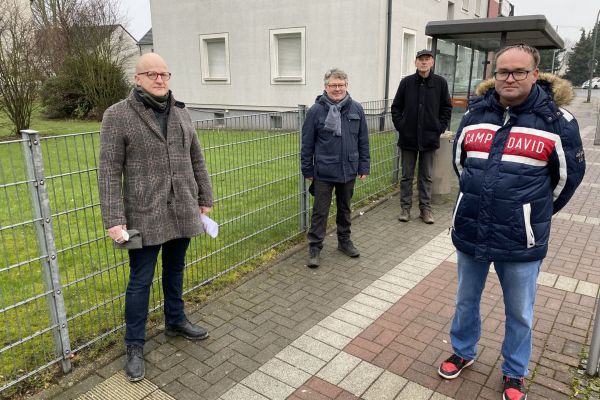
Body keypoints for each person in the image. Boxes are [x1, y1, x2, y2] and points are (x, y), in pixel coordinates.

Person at [438, 44, 585, 400]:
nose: (509, 78)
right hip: (472, 226)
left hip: (522, 237)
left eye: (519, 71)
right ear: (495, 75)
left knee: (519, 310)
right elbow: (462, 164)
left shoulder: (558, 122)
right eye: (503, 71)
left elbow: (567, 180)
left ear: (536, 74)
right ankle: (463, 350)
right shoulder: (474, 115)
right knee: (465, 300)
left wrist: (532, 215)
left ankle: (515, 372)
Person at [99, 53, 213, 382]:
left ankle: (175, 320)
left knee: (175, 269)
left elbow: (197, 158)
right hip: (142, 213)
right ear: (137, 78)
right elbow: (108, 171)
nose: (160, 79)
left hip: (182, 208)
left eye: (164, 74)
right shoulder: (117, 115)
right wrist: (113, 218)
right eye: (152, 74)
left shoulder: (181, 112)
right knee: (140, 281)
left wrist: (204, 196)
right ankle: (134, 346)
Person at [301, 68, 370, 268]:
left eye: (341, 85)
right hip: (324, 171)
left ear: (346, 86)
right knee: (320, 212)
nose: (337, 89)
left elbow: (363, 140)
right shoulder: (315, 111)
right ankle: (315, 247)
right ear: (326, 87)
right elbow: (307, 144)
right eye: (333, 85)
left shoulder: (356, 109)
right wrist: (308, 170)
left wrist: (363, 166)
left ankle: (344, 242)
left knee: (345, 209)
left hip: (348, 169)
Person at [391, 49, 452, 224]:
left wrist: (438, 128)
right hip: (408, 138)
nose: (424, 62)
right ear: (415, 62)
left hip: (429, 138)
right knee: (407, 176)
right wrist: (401, 126)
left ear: (432, 62)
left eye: (427, 59)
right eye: (421, 59)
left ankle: (425, 209)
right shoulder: (407, 83)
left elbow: (446, 108)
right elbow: (396, 107)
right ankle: (405, 208)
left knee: (426, 176)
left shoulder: (440, 83)